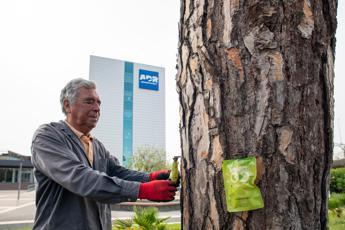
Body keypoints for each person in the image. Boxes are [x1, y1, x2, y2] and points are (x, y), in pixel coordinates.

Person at [31, 78, 178, 230]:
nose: (97, 108)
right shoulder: (47, 136)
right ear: (68, 105)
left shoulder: (96, 145)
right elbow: (80, 178)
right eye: (89, 101)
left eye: (98, 103)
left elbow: (117, 172)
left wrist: (150, 177)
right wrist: (142, 190)